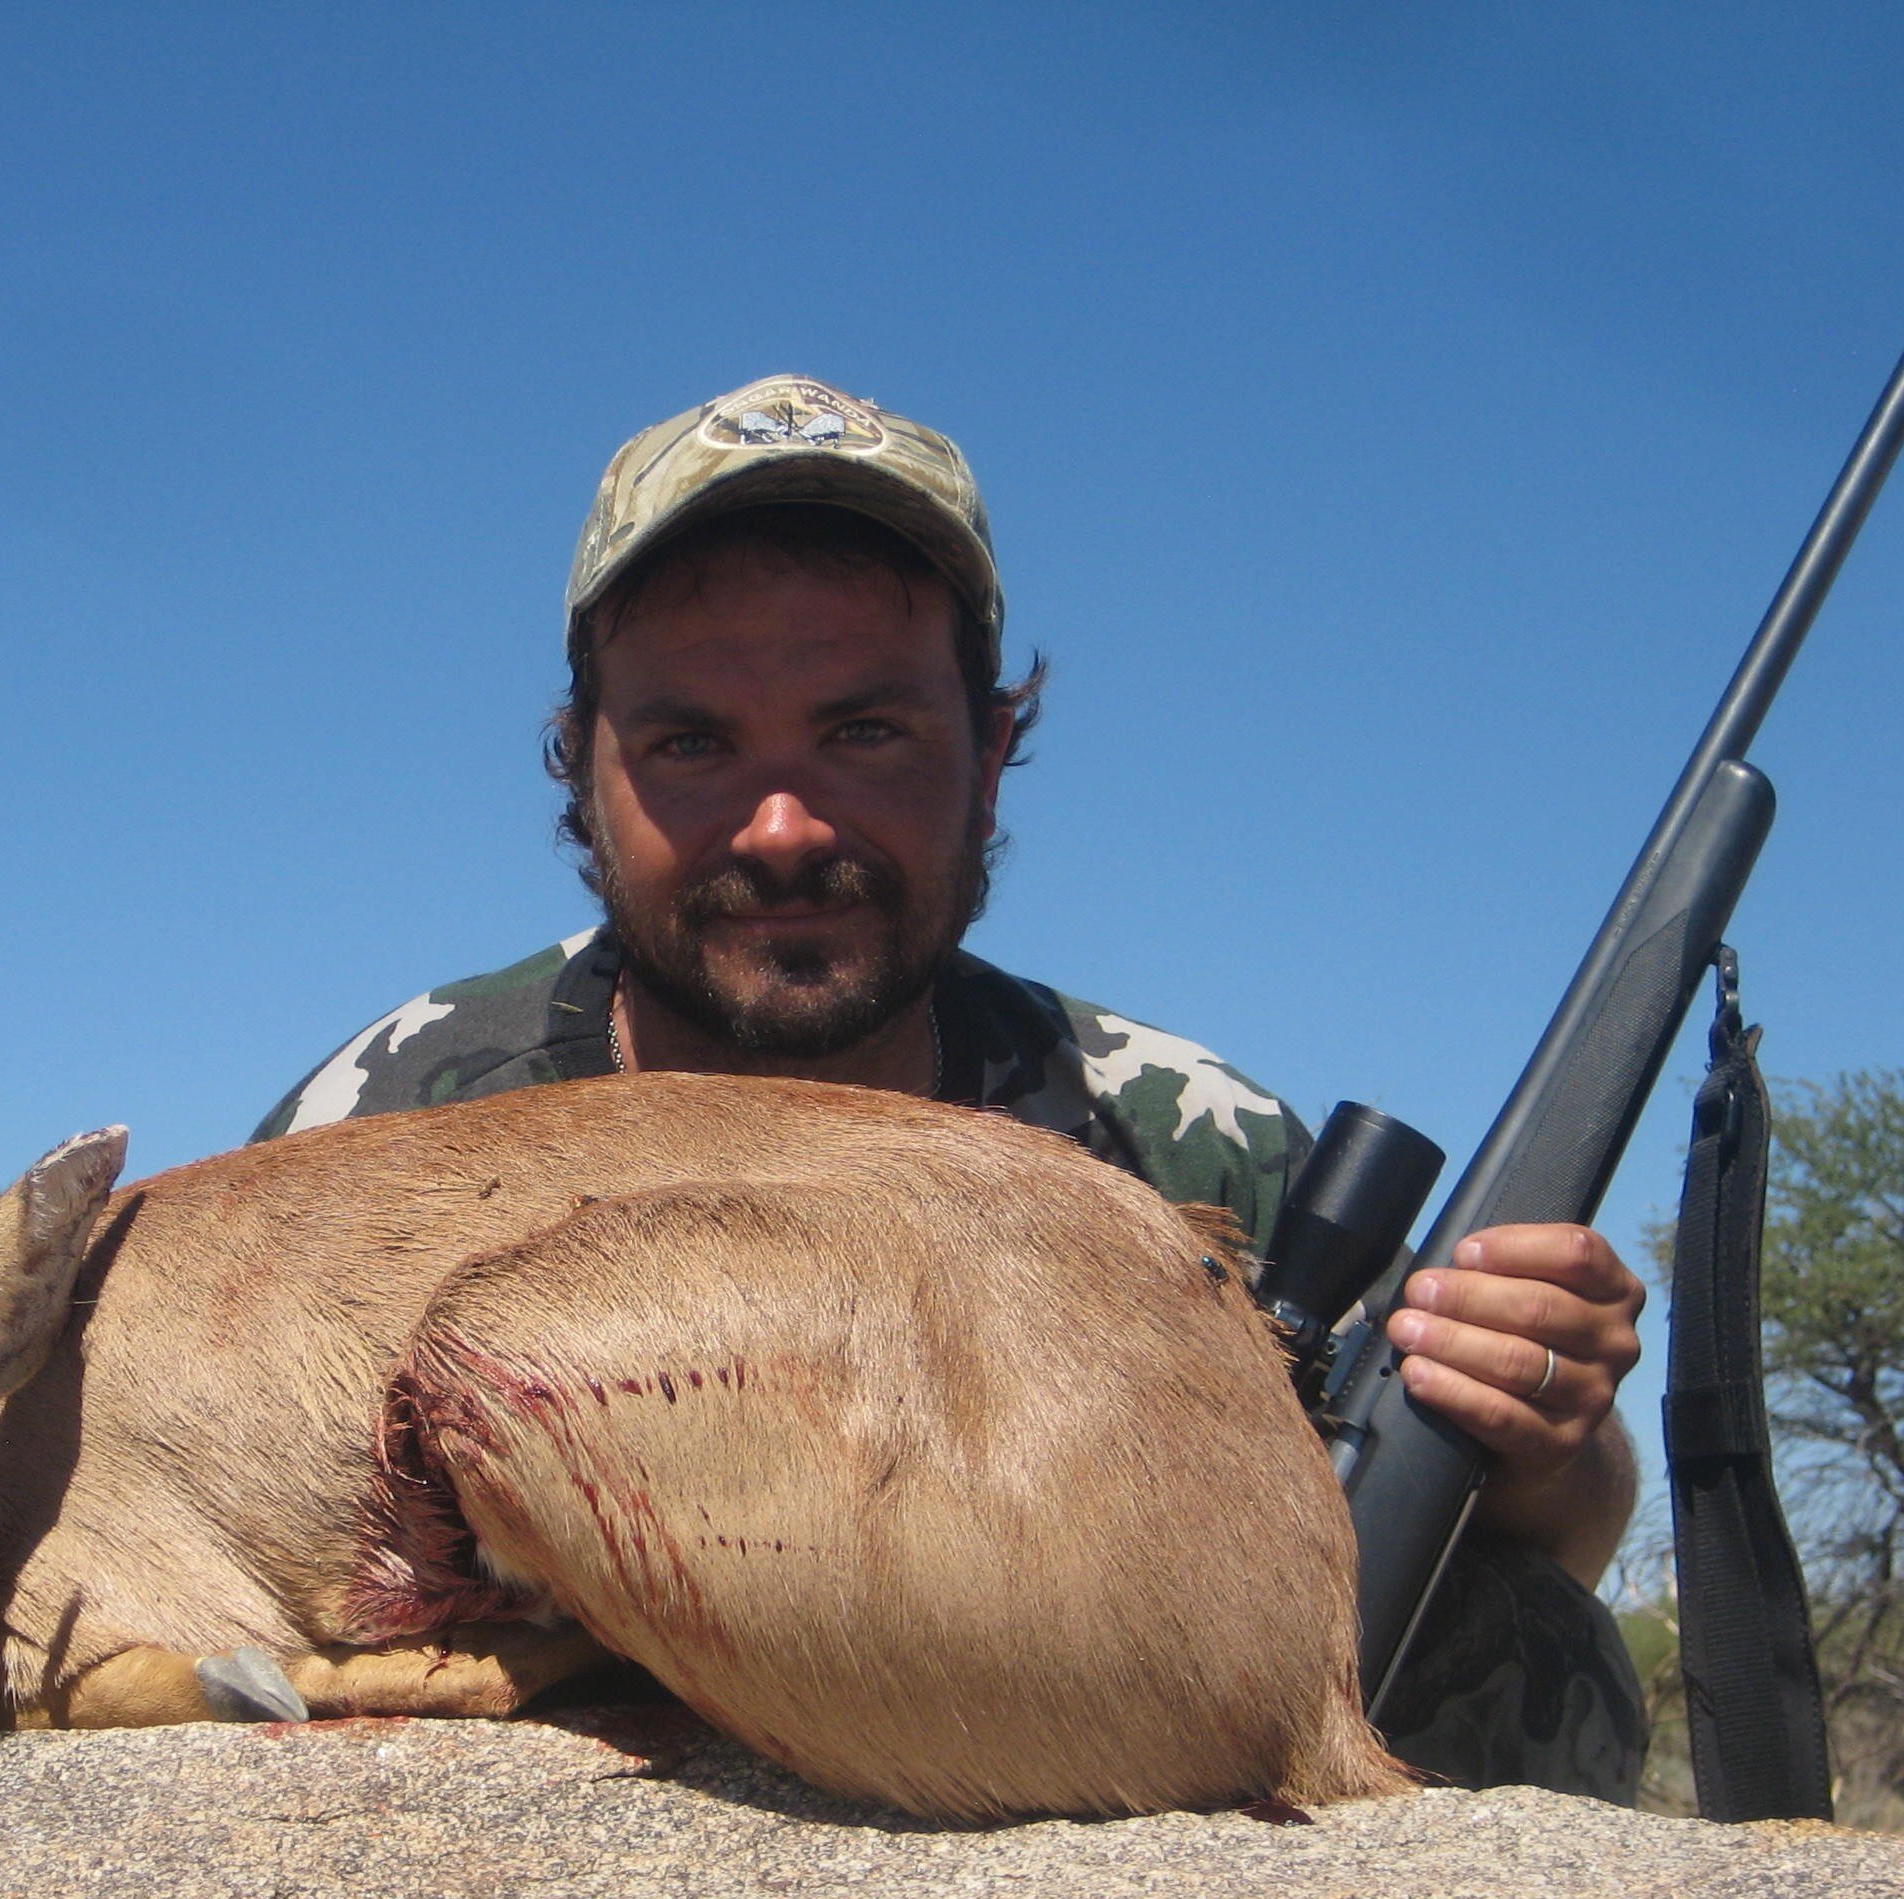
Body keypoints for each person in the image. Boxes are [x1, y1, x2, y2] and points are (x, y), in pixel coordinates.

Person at [255, 374, 1650, 1799]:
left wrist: (1549, 1438)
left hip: (1091, 1821)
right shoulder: (386, 1119)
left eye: (865, 733)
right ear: (584, 766)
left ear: (988, 755)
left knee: (1533, 1644)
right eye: (691, 744)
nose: (784, 825)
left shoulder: (1178, 1139)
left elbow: (1517, 1558)